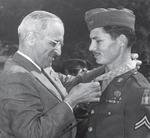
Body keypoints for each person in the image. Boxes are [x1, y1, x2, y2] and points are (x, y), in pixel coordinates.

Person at [0, 11, 102, 138]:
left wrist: (112, 66)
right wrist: (72, 101)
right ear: (31, 39)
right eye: (53, 43)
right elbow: (33, 133)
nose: (59, 52)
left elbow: (70, 82)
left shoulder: (40, 66)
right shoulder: (16, 77)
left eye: (60, 44)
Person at [75, 8, 150, 138]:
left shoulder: (139, 89)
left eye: (98, 41)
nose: (91, 47)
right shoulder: (101, 80)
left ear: (121, 41)